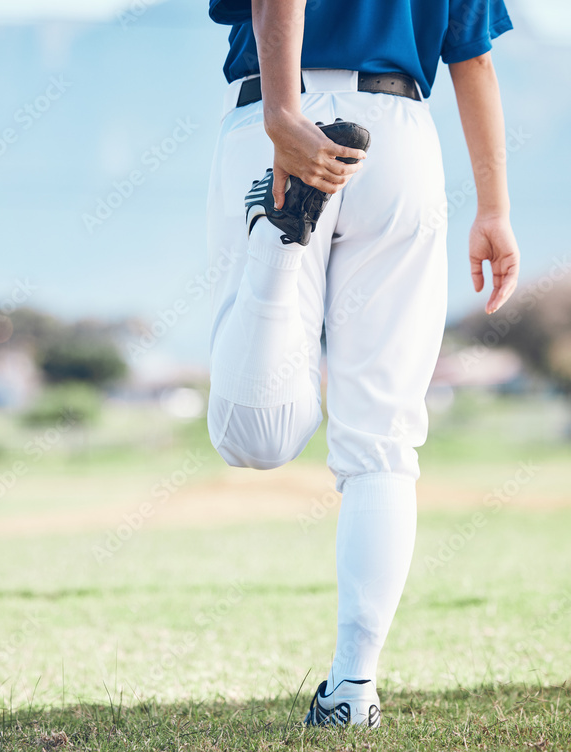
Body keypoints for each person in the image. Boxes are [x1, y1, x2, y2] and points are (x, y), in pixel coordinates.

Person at [205, 0, 519, 728]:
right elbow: (471, 55)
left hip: (271, 112)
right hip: (399, 135)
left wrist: (285, 115)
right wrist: (494, 208)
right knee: (382, 442)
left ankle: (276, 245)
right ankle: (352, 691)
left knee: (252, 440)